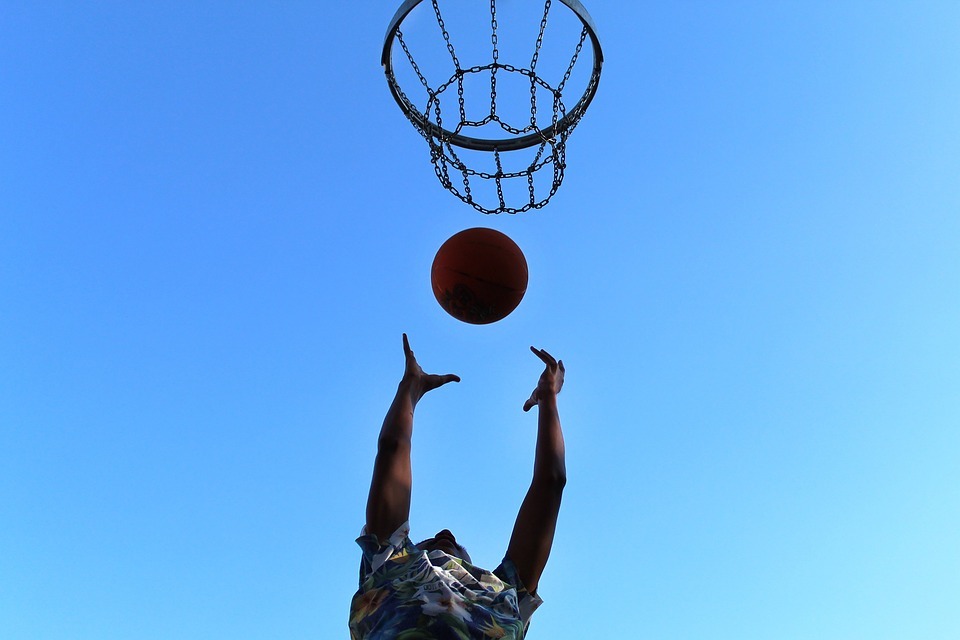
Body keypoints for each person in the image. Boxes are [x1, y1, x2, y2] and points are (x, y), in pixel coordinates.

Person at [349, 334, 567, 640]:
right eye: (428, 542)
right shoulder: (394, 564)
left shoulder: (502, 593)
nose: (445, 533)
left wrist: (549, 398)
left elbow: (552, 482)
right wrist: (410, 386)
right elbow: (391, 447)